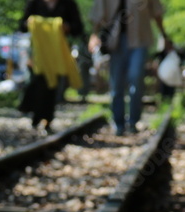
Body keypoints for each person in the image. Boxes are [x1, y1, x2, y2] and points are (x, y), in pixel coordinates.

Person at [88, 0, 170, 135]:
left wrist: (164, 34)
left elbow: (156, 11)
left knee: (136, 77)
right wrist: (94, 34)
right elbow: (98, 11)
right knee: (116, 84)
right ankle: (118, 123)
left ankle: (133, 121)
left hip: (140, 39)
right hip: (115, 42)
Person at [19, 0, 85, 132]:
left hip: (57, 52)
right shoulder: (34, 3)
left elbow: (78, 28)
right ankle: (34, 115)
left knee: (52, 86)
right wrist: (31, 23)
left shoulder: (68, 4)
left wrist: (66, 27)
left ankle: (46, 120)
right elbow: (22, 25)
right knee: (37, 81)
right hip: (37, 52)